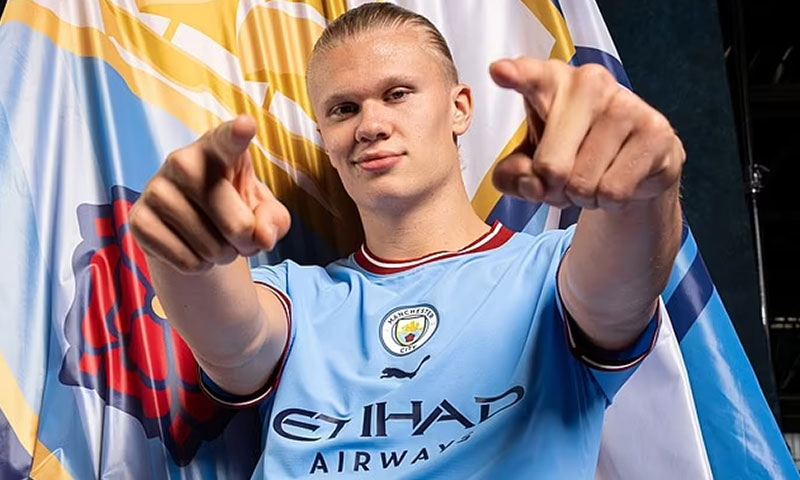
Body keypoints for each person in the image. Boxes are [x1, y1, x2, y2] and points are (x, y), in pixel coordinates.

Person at [129, 3, 684, 478]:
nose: (370, 125)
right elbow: (234, 342)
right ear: (325, 139)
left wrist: (644, 184)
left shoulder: (552, 274)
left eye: (397, 94)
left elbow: (622, 279)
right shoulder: (298, 298)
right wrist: (185, 248)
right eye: (344, 109)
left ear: (459, 108)